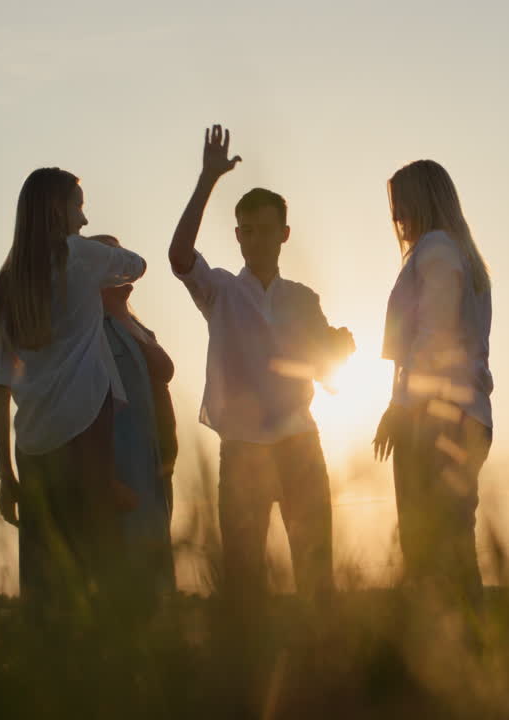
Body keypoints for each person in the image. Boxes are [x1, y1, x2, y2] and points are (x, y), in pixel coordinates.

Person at [169, 125, 354, 600]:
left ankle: (325, 669)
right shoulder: (222, 293)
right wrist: (209, 178)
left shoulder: (302, 299)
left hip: (300, 447)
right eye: (246, 231)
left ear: (284, 234)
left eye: (266, 229)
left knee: (317, 580)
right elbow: (179, 256)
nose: (255, 239)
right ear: (237, 235)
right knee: (244, 585)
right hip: (243, 452)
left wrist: (340, 347)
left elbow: (327, 369)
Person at [0, 167, 146, 614]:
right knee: (99, 564)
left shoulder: (3, 288)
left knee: (45, 576)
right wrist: (105, 245)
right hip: (86, 432)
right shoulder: (82, 255)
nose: (84, 218)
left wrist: (5, 474)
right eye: (79, 205)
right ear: (60, 209)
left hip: (33, 447)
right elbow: (137, 266)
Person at [373, 159, 494, 610]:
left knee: (431, 550)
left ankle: (448, 658)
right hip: (466, 414)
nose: (396, 218)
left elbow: (433, 336)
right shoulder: (459, 254)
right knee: (453, 544)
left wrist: (400, 408)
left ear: (421, 201)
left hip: (437, 418)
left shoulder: (436, 249)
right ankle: (468, 653)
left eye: (401, 205)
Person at [100, 251, 178, 595]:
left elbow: (164, 370)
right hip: (123, 471)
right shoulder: (91, 332)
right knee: (128, 577)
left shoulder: (136, 326)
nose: (121, 264)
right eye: (109, 257)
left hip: (156, 466)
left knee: (156, 567)